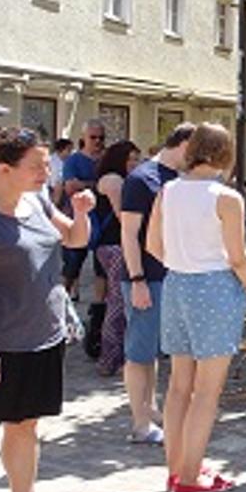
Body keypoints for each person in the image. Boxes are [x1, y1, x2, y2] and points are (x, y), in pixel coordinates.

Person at [147, 123, 246, 492]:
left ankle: (176, 468)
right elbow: (238, 257)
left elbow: (153, 245)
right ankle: (190, 475)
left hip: (176, 284)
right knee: (206, 392)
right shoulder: (226, 198)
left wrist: (182, 262)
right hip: (214, 288)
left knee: (179, 386)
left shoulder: (168, 191)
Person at [0, 127, 95, 492]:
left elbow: (74, 238)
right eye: (36, 165)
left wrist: (82, 212)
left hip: (41, 337)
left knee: (24, 426)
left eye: (46, 163)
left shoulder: (35, 200)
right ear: (3, 168)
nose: (46, 171)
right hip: (0, 345)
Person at [120, 123, 195, 446]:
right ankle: (140, 423)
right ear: (183, 144)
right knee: (139, 352)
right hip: (147, 277)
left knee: (152, 351)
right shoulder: (141, 179)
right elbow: (128, 234)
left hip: (170, 275)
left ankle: (149, 411)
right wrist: (137, 279)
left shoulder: (180, 179)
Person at [92, 140, 140, 378]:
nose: (134, 164)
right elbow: (123, 215)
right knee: (118, 302)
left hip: (116, 245)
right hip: (113, 245)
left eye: (136, 159)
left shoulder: (122, 179)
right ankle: (109, 357)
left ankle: (117, 355)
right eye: (130, 159)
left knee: (121, 300)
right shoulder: (113, 180)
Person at [60, 119, 107, 354]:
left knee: (102, 272)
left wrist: (86, 184)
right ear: (83, 138)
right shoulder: (74, 160)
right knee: (71, 269)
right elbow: (70, 186)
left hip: (103, 221)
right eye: (93, 137)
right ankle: (59, 310)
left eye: (101, 137)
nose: (97, 142)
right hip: (79, 220)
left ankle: (98, 318)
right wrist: (96, 185)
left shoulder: (106, 159)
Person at [48, 139, 73, 206]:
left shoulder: (69, 161)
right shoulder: (52, 161)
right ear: (61, 150)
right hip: (52, 189)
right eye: (69, 150)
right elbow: (54, 181)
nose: (71, 153)